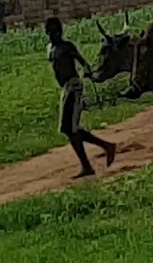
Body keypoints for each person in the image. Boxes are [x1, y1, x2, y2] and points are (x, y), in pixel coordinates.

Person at [45, 17, 116, 179]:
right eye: (50, 33)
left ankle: (92, 160)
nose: (52, 36)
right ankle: (104, 148)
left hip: (74, 86)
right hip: (65, 88)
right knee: (68, 129)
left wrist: (87, 70)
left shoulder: (67, 46)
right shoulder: (50, 49)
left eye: (55, 32)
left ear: (60, 32)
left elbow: (81, 61)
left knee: (71, 128)